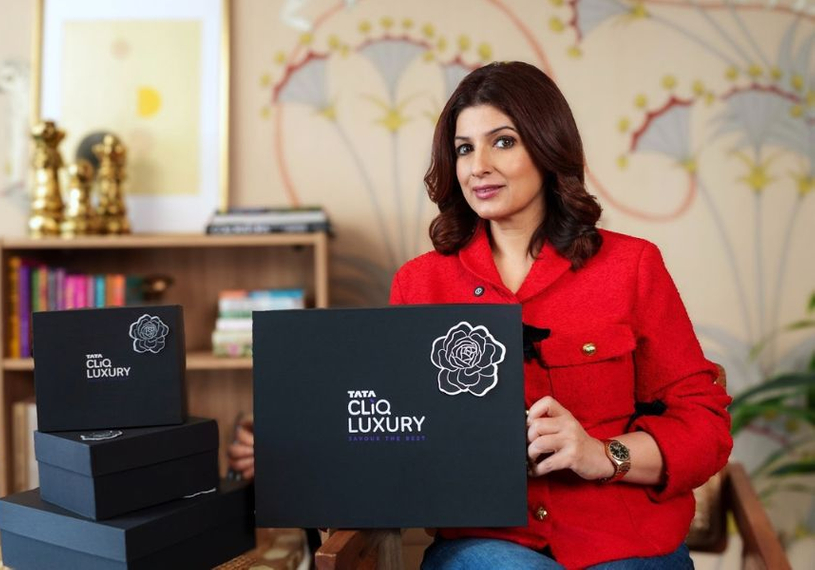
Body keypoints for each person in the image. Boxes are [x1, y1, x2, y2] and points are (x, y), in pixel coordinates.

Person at [229, 61, 733, 569]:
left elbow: (704, 425)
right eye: (464, 149)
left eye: (503, 142)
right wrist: (296, 452)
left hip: (625, 541)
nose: (478, 167)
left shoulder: (631, 266)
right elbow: (387, 435)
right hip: (489, 546)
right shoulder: (419, 283)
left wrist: (602, 454)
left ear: (548, 147)